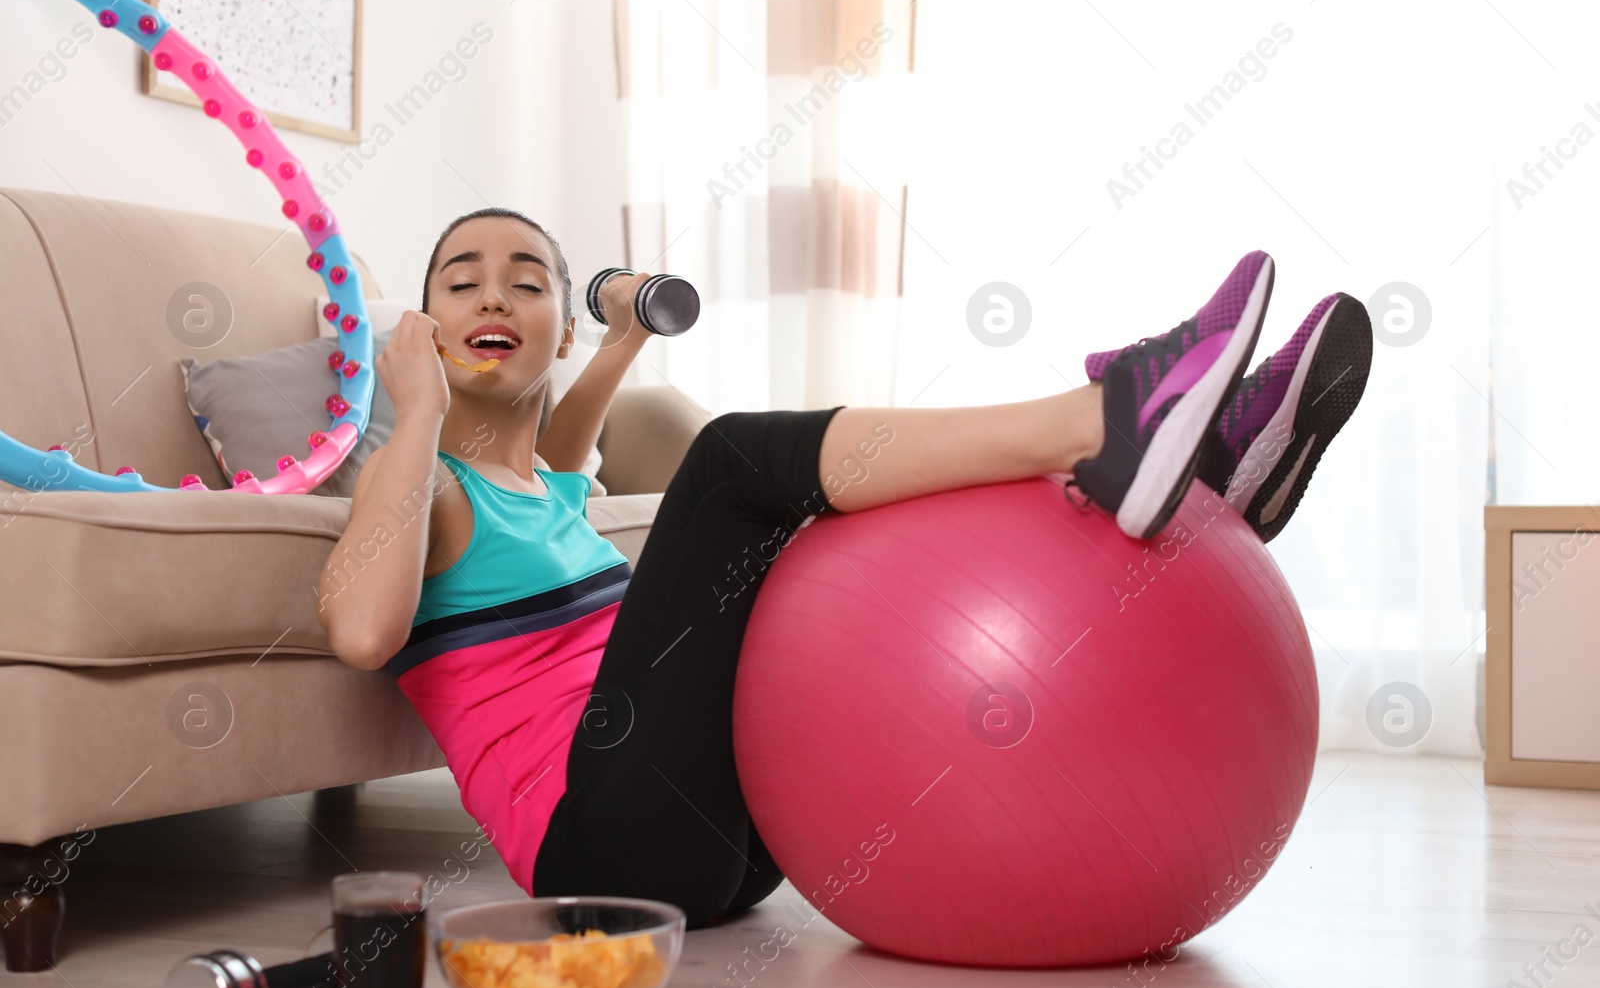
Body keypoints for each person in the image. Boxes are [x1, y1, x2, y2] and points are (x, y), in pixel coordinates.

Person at [316, 208, 1372, 928]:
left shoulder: (543, 488)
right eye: (461, 282)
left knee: (808, 535)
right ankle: (1110, 421)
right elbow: (363, 632)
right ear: (424, 328)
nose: (493, 295)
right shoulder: (424, 489)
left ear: (557, 329)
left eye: (526, 281)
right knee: (729, 464)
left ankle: (1205, 466)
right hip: (601, 859)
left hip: (736, 846)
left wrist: (622, 339)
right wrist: (410, 413)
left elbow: (566, 440)